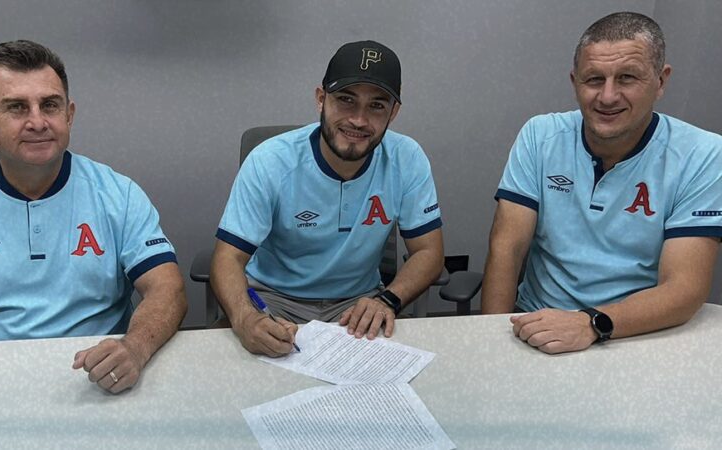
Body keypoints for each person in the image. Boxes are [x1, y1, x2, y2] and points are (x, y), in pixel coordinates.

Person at [0, 40, 187, 393]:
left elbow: (168, 289)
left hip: (93, 379)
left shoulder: (118, 195)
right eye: (17, 107)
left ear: (69, 114)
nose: (37, 122)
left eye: (50, 105)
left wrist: (134, 348)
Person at [482, 12, 722, 354]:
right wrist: (492, 343)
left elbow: (684, 288)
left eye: (627, 78)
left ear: (661, 81)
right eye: (594, 79)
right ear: (574, 82)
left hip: (632, 332)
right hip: (535, 321)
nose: (608, 97)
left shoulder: (703, 155)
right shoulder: (540, 135)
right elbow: (507, 247)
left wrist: (591, 323)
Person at [211, 40, 444, 357]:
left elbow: (429, 251)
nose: (359, 120)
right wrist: (245, 317)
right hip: (273, 300)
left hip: (359, 304)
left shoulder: (407, 158)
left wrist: (388, 299)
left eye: (377, 106)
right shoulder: (270, 160)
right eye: (346, 100)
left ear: (394, 112)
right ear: (321, 99)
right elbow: (228, 258)